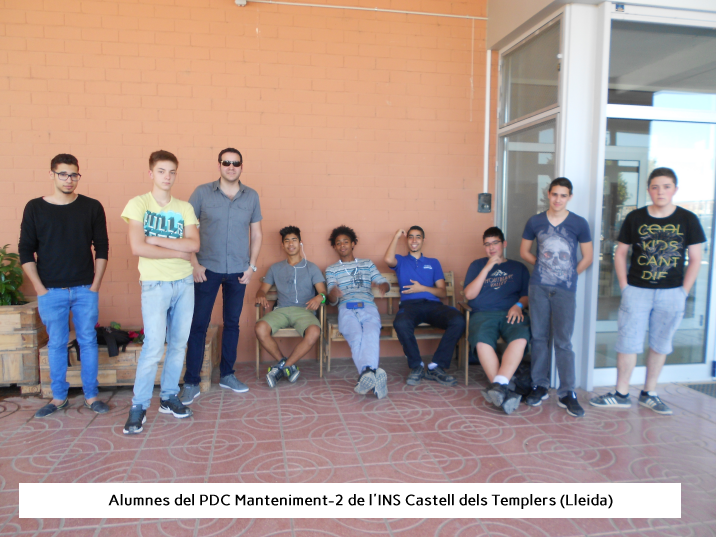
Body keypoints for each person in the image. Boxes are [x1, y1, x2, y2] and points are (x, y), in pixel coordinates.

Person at [590, 167, 705, 415]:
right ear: (648, 190)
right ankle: (621, 393)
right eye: (655, 187)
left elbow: (696, 258)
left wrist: (683, 292)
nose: (660, 191)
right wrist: (625, 287)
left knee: (660, 344)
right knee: (627, 342)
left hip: (672, 292)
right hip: (637, 290)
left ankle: (649, 393)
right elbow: (620, 253)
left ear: (675, 189)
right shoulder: (635, 217)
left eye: (666, 186)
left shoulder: (688, 219)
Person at [19, 154, 110, 418]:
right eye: (63, 174)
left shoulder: (91, 207)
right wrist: (40, 289)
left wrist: (95, 285)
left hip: (85, 289)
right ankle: (59, 397)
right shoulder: (35, 208)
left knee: (88, 341)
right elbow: (25, 251)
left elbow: (102, 247)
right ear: (52, 175)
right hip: (50, 291)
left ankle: (91, 396)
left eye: (73, 175)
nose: (69, 180)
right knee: (57, 344)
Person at [121, 150, 200, 435]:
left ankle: (168, 397)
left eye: (172, 172)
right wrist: (177, 250)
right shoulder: (138, 204)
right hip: (154, 284)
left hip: (184, 283)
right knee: (154, 347)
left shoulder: (184, 207)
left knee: (178, 344)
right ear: (151, 173)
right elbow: (137, 247)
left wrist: (155, 238)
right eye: (162, 171)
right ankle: (139, 406)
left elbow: (194, 245)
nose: (167, 177)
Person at [180, 148, 262, 405]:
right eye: (226, 162)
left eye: (235, 163)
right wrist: (194, 263)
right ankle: (191, 381)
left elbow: (257, 234)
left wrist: (252, 267)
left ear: (241, 166)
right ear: (219, 165)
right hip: (207, 269)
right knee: (198, 324)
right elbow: (186, 228)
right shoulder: (202, 193)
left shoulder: (251, 196)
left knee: (232, 324)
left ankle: (227, 375)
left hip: (238, 270)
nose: (231, 166)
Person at [520, 177, 593, 417]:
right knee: (539, 337)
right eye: (554, 194)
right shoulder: (535, 221)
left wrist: (568, 274)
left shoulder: (579, 223)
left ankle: (567, 392)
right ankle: (539, 385)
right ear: (548, 194)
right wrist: (546, 267)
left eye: (563, 195)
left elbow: (588, 257)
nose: (558, 199)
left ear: (569, 197)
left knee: (563, 341)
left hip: (565, 290)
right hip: (538, 287)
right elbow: (524, 251)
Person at [384, 227, 465, 387]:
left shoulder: (433, 262)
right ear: (407, 240)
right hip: (410, 306)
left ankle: (436, 367)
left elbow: (442, 292)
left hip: (433, 305)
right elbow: (387, 259)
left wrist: (422, 288)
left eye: (418, 237)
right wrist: (396, 236)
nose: (414, 240)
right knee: (401, 323)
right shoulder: (401, 261)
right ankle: (417, 366)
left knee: (458, 320)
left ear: (423, 240)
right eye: (411, 237)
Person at [464, 227, 530, 414]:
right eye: (487, 244)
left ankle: (499, 387)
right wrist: (487, 268)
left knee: (521, 336)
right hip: (483, 314)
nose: (491, 248)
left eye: (495, 243)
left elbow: (526, 295)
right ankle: (503, 387)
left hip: (511, 312)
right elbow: (469, 295)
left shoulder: (518, 268)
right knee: (481, 339)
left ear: (504, 244)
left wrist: (518, 305)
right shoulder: (477, 265)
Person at [256, 226, 327, 387]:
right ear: (282, 245)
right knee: (260, 328)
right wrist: (260, 294)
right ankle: (287, 365)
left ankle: (283, 367)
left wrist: (319, 297)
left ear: (300, 243)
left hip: (305, 311)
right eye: (287, 241)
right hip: (281, 310)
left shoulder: (311, 267)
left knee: (314, 331)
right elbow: (262, 289)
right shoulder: (275, 268)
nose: (290, 244)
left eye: (294, 240)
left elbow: (323, 292)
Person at [325, 226, 389, 398]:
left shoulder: (367, 263)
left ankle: (366, 374)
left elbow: (381, 280)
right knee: (356, 335)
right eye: (338, 243)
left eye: (346, 242)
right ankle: (372, 374)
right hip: (346, 308)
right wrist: (333, 294)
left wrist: (383, 285)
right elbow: (332, 299)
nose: (342, 245)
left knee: (371, 333)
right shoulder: (331, 269)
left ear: (353, 243)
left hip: (368, 306)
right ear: (335, 247)